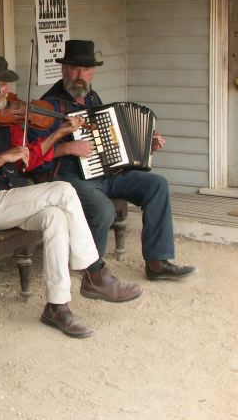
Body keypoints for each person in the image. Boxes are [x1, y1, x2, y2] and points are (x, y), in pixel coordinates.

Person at [0, 54, 142, 340]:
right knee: (64, 190)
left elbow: (28, 160)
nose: (8, 91)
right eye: (2, 85)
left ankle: (57, 306)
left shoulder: (1, 114)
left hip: (13, 198)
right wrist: (3, 157)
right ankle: (94, 272)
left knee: (55, 217)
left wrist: (59, 133)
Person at [31, 39, 196, 282]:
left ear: (93, 72)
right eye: (75, 68)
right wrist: (66, 147)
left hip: (106, 172)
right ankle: (93, 270)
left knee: (156, 184)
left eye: (86, 69)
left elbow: (112, 142)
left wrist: (146, 146)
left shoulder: (92, 98)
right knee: (103, 209)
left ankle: (157, 262)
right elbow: (35, 158)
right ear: (64, 69)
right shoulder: (48, 106)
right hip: (70, 177)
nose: (80, 76)